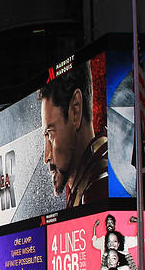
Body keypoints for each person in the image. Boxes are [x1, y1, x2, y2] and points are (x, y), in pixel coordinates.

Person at [39, 61, 108, 207]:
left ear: (75, 111)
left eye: (50, 134)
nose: (47, 156)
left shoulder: (98, 185)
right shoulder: (82, 185)